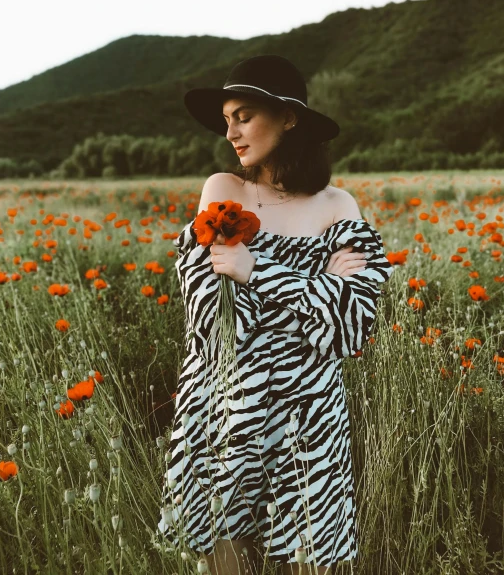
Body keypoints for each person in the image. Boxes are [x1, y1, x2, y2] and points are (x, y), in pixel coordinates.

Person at [157, 55, 393, 574]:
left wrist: (254, 271)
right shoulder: (223, 191)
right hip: (224, 407)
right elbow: (216, 324)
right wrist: (319, 290)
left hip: (309, 415)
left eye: (243, 115)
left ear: (289, 118)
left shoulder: (338, 205)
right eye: (226, 120)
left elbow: (350, 328)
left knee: (311, 563)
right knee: (226, 561)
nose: (231, 133)